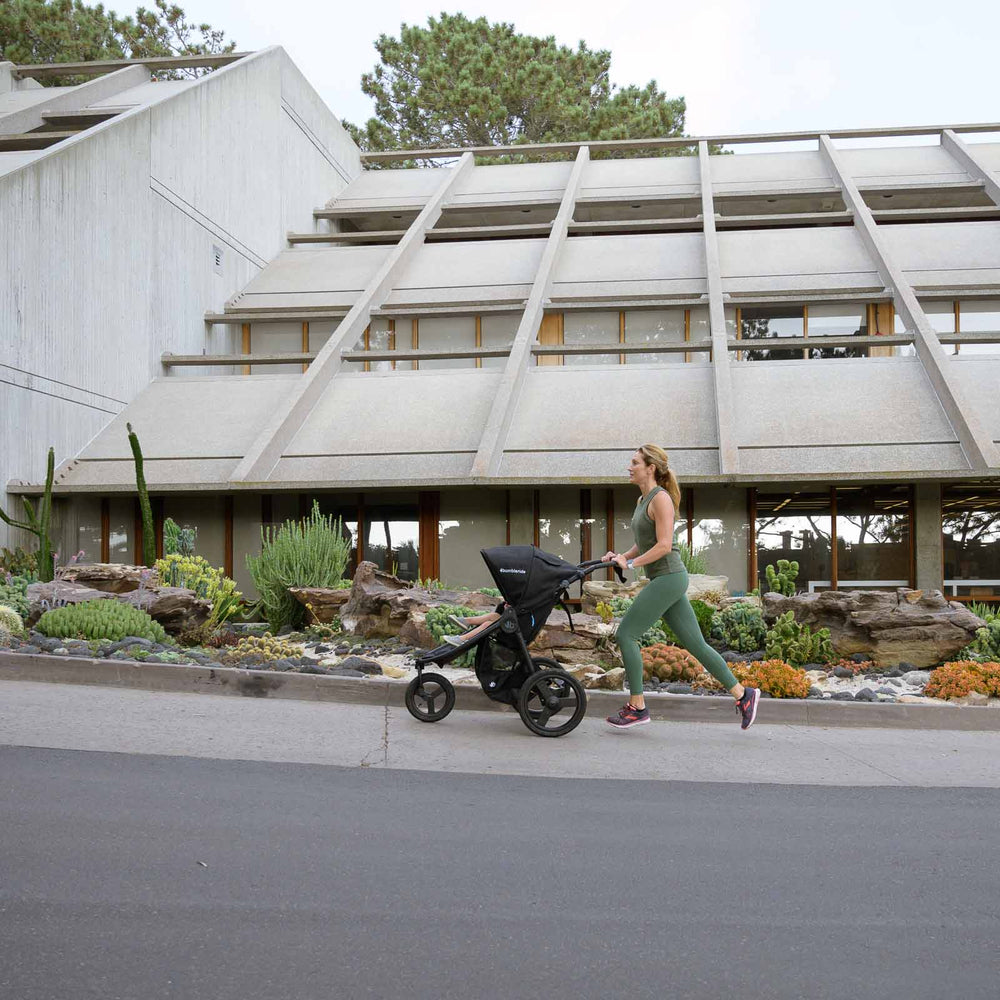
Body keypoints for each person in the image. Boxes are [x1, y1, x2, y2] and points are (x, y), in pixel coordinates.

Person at [601, 444, 760, 730]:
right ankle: (743, 695)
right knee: (696, 645)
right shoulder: (642, 501)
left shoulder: (660, 499)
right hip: (664, 579)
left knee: (626, 634)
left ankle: (637, 707)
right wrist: (623, 556)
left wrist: (633, 566)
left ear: (650, 468)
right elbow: (646, 541)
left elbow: (663, 546)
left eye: (635, 462)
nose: (629, 467)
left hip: (669, 577)